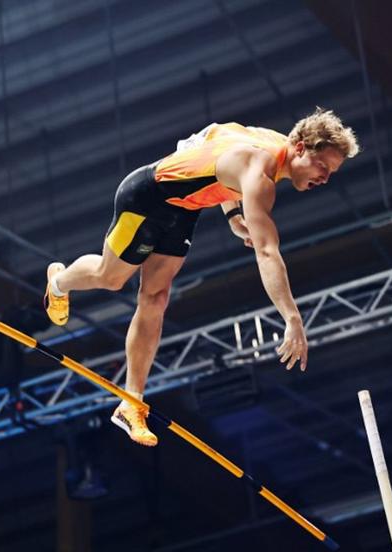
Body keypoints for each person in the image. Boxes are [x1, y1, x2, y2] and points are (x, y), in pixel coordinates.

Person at [43, 108, 359, 446]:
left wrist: (233, 214)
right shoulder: (260, 171)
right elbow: (267, 252)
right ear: (299, 148)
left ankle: (131, 404)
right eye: (322, 166)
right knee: (111, 278)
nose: (325, 178)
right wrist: (292, 318)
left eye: (331, 172)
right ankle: (58, 282)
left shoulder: (267, 142)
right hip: (147, 198)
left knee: (155, 298)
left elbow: (210, 136)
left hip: (184, 210)